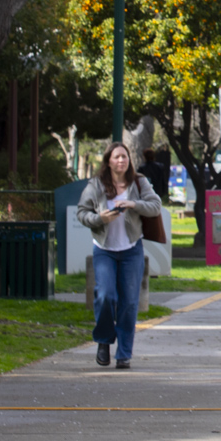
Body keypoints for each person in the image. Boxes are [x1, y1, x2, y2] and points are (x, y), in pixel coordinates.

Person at [76, 143, 162, 370]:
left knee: (129, 303)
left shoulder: (139, 182)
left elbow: (155, 206)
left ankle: (124, 354)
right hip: (104, 250)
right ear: (108, 161)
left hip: (131, 250)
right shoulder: (95, 185)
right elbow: (82, 213)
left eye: (124, 157)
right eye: (117, 157)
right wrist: (99, 219)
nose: (121, 161)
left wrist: (134, 203)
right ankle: (104, 340)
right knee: (105, 296)